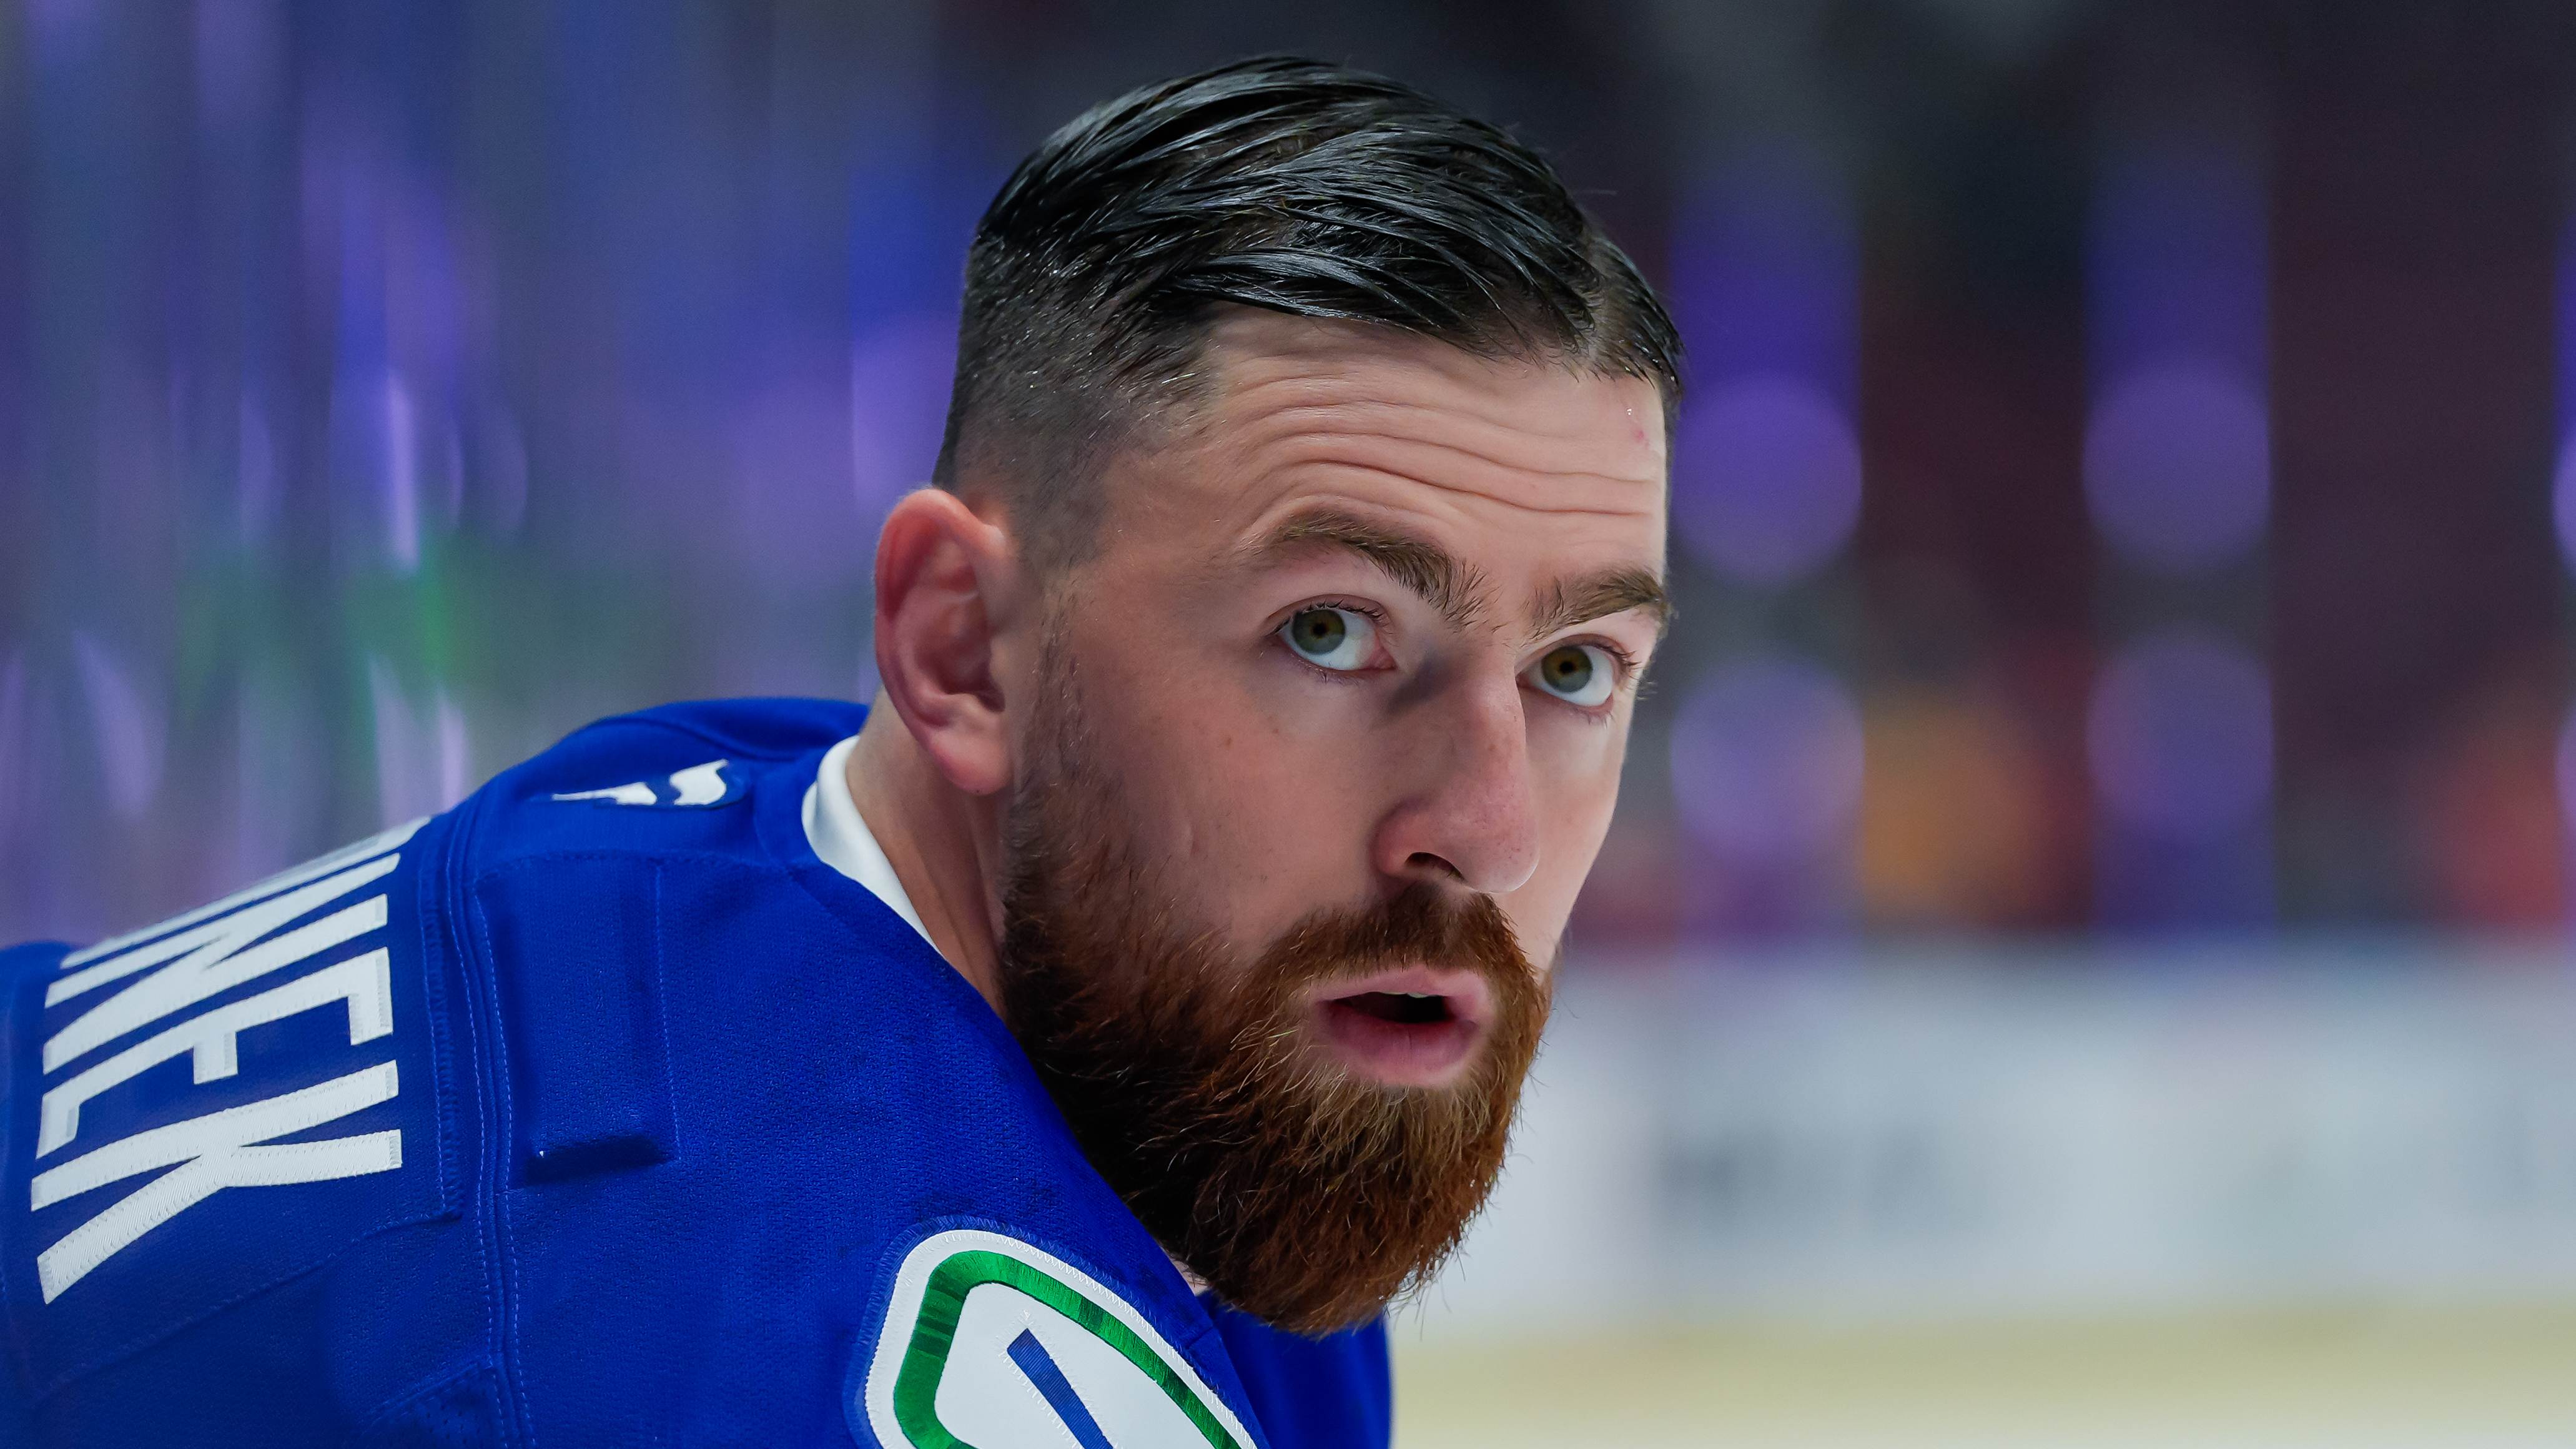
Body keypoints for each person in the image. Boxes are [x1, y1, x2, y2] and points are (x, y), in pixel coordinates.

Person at [0, 55, 1679, 1448]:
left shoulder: (755, 833)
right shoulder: (760, 1359)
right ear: (958, 650)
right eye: (1330, 632)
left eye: (1576, 667)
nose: (1490, 826)